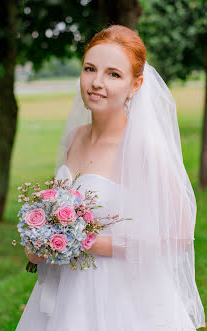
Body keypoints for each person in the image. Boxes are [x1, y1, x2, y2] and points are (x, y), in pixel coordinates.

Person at [16, 25, 205, 330]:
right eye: (90, 69)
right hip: (66, 291)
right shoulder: (76, 137)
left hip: (120, 296)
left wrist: (89, 242)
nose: (96, 83)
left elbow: (179, 237)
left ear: (135, 85)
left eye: (113, 74)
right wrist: (43, 240)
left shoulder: (143, 149)